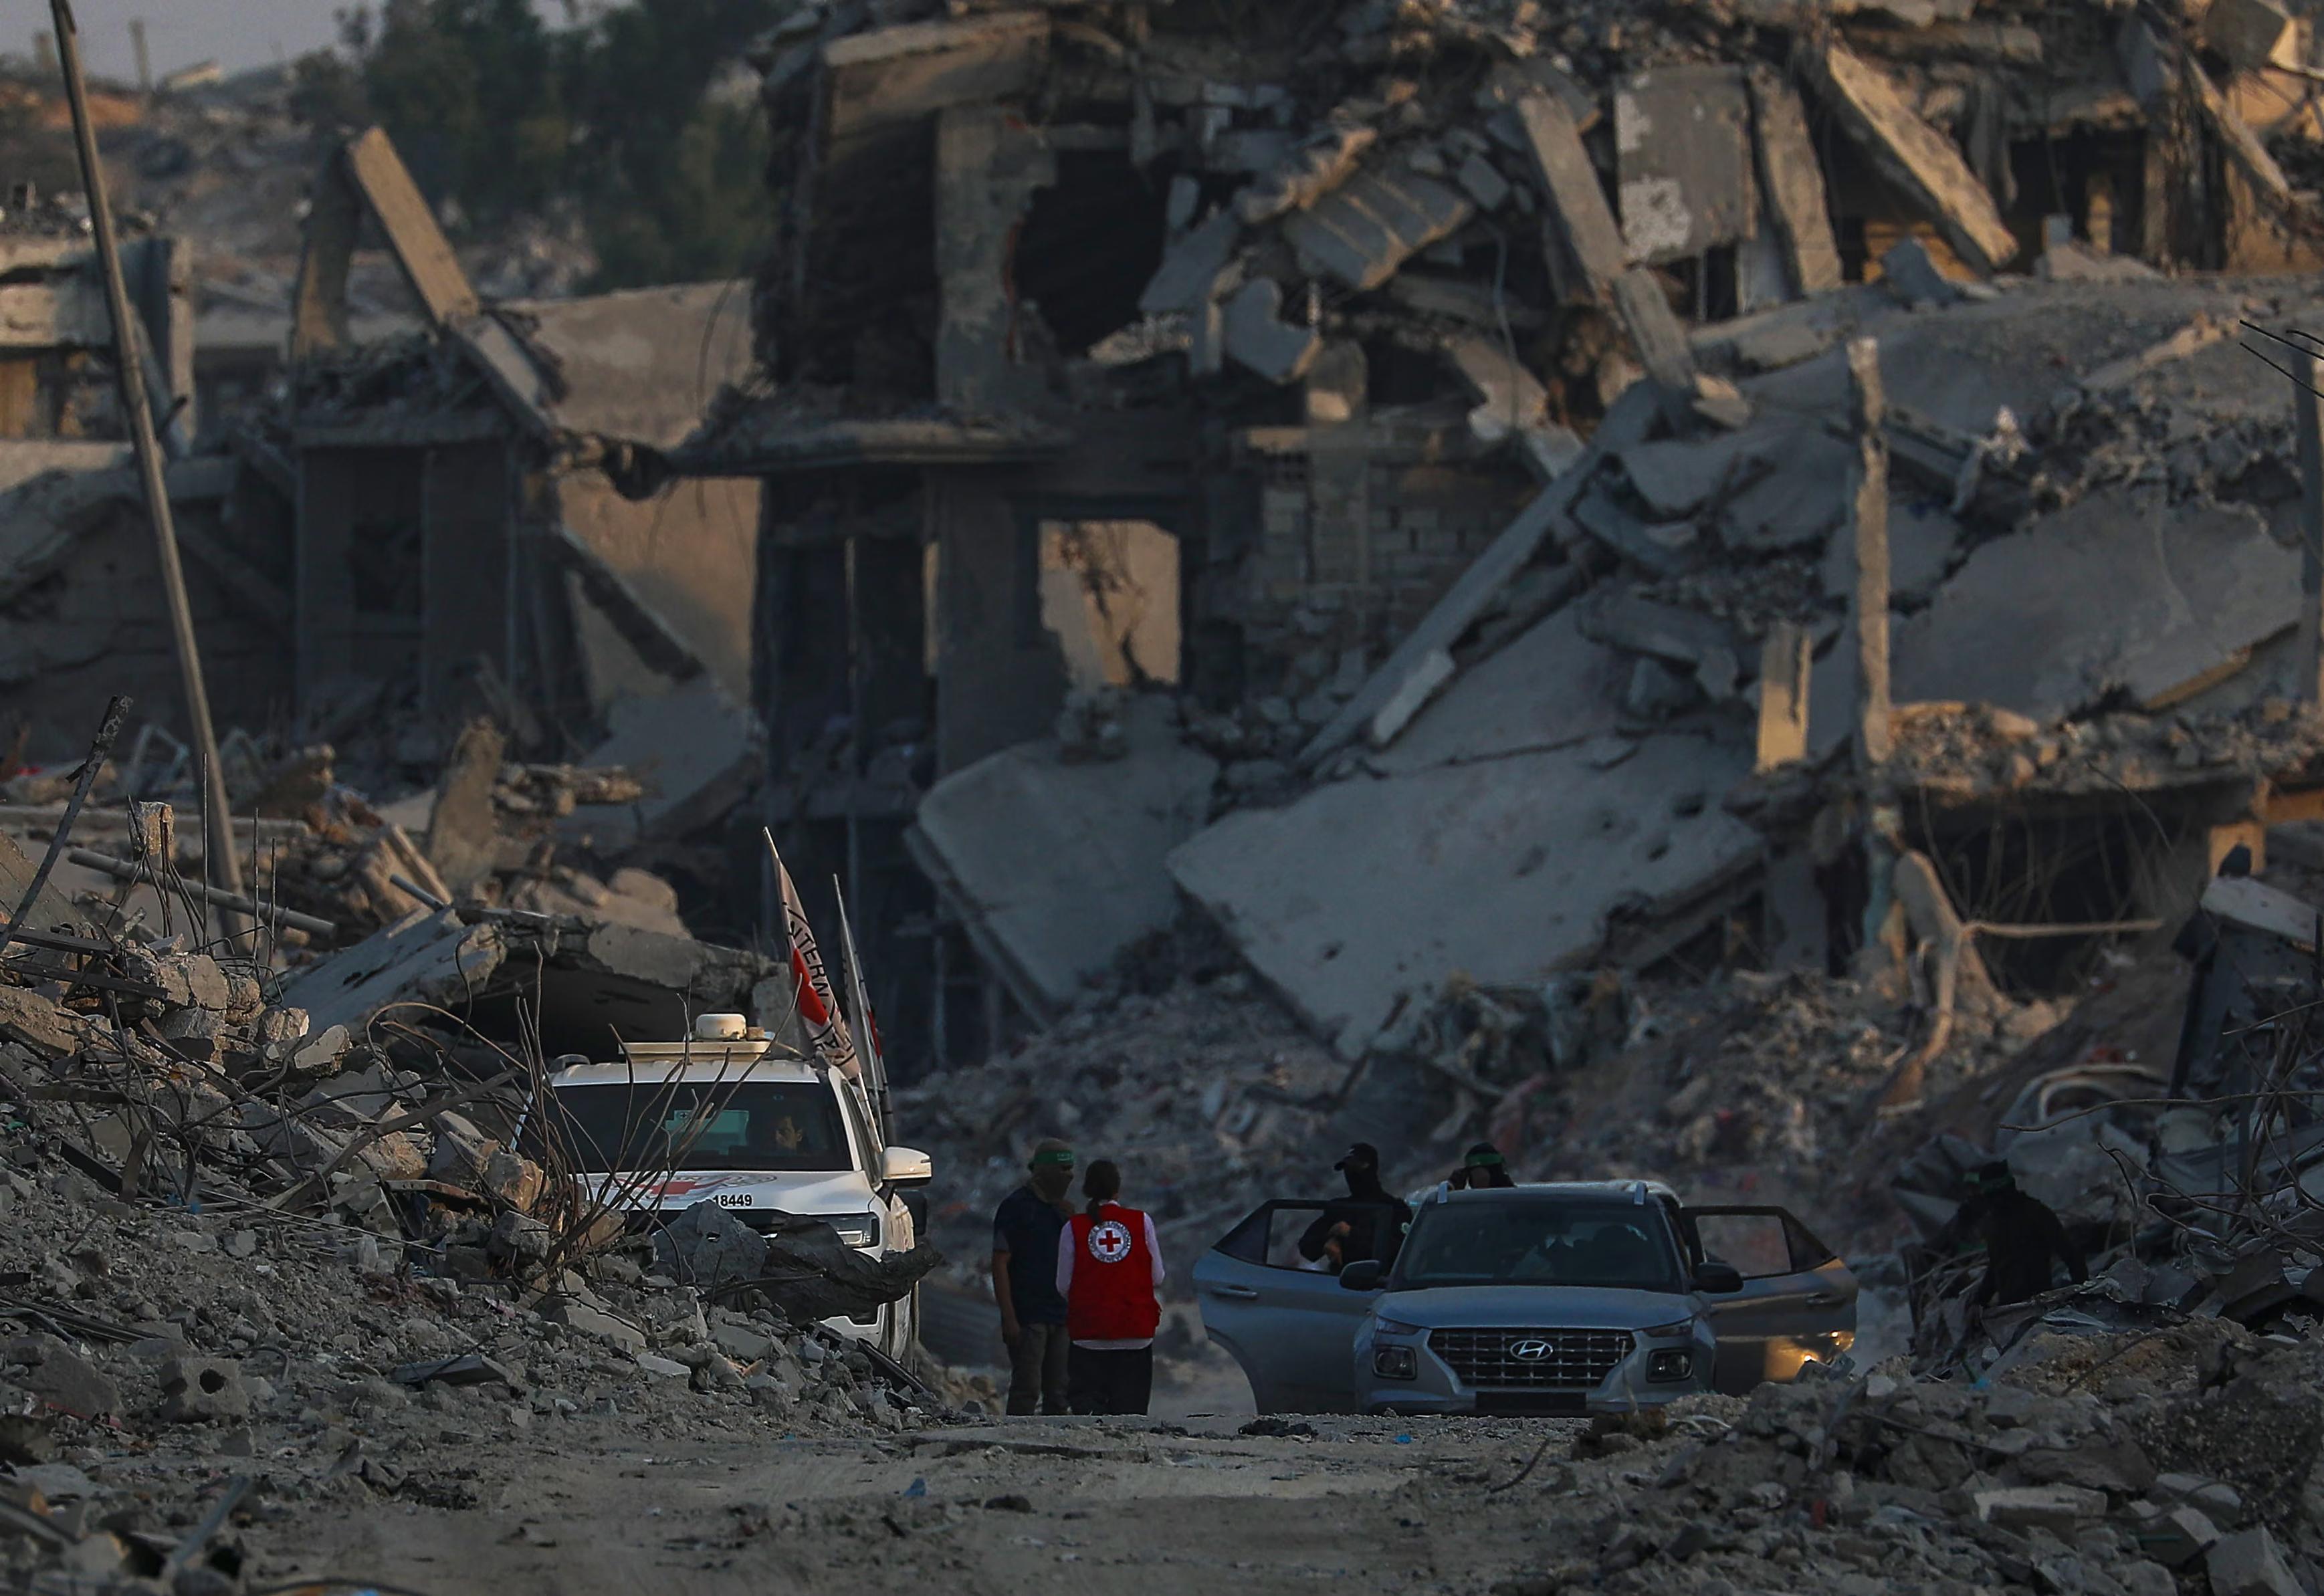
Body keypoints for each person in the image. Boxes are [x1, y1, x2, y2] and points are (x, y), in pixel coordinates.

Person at [1055, 1159, 1164, 1415]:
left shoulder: (1072, 1228)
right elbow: (1157, 1277)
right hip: (1135, 1333)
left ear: (1087, 1190)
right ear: (1118, 1190)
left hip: (1089, 1336)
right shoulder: (1142, 1221)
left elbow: (1063, 1285)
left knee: (1089, 1416)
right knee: (1132, 1416)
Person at [990, 1139, 1077, 1416]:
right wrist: (1009, 1317)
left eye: (1071, 1169)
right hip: (1029, 1317)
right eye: (1062, 1169)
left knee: (1060, 1392)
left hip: (1061, 1315)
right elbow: (1000, 1263)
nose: (1069, 1176)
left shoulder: (1062, 1213)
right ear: (1044, 1171)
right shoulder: (1016, 1208)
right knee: (1027, 1388)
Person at [1951, 1161, 2087, 1308]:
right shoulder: (1994, 1222)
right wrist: (1979, 1303)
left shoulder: (2036, 1213)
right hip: (2010, 1309)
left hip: (2039, 1305)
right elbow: (1996, 1268)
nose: (1997, 1201)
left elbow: (2070, 1254)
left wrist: (2082, 1295)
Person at [1297, 1143, 1413, 1273]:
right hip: (1340, 1284)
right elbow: (1307, 1246)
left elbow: (1399, 1250)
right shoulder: (1339, 1208)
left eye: (1357, 1167)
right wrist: (1328, 1239)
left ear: (1371, 1167)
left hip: (1381, 1284)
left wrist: (1351, 1233)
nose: (1351, 1173)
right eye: (1347, 1169)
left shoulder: (1395, 1208)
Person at [1449, 1141, 1517, 1189]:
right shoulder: (1470, 1202)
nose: (1475, 1180)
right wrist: (1452, 1189)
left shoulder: (1516, 1199)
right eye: (1473, 1176)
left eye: (1478, 1175)